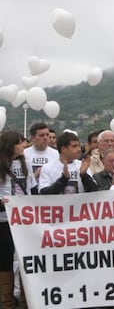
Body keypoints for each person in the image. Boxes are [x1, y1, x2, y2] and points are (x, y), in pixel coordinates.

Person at [0, 130, 36, 309]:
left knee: (25, 258)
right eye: (20, 143)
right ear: (11, 144)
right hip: (4, 220)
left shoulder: (26, 163)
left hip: (25, 220)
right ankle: (7, 302)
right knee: (5, 260)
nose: (24, 146)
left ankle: (26, 299)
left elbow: (32, 190)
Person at [24, 122, 59, 189]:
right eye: (41, 135)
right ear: (33, 138)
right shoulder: (25, 154)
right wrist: (35, 175)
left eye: (47, 135)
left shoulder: (56, 154)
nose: (45, 138)